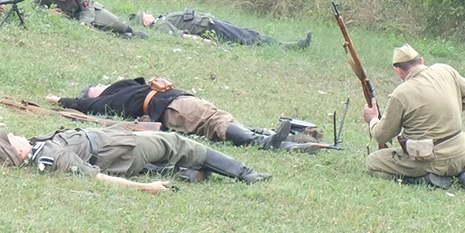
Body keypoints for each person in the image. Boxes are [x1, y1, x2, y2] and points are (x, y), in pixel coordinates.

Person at [0, 124, 270, 193]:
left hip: (114, 141)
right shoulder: (53, 157)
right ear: (19, 152)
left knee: (173, 158)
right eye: (10, 138)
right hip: (124, 150)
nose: (11, 133)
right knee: (179, 143)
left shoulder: (31, 153)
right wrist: (148, 189)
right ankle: (246, 174)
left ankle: (191, 174)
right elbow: (97, 178)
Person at [45, 77, 320, 153]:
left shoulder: (126, 87)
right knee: (216, 120)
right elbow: (88, 107)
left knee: (223, 120)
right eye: (93, 89)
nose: (98, 86)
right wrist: (64, 101)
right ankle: (265, 142)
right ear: (96, 96)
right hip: (175, 108)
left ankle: (280, 141)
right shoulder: (114, 98)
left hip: (180, 104)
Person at [362, 44, 465, 191]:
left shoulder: (401, 93)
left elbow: (381, 136)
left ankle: (425, 179)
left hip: (430, 159)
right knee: (449, 160)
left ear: (398, 70)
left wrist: (372, 119)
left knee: (373, 162)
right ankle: (464, 176)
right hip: (460, 157)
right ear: (421, 61)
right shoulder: (445, 70)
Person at [33, 0, 148, 39]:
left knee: (117, 24)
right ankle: (120, 37)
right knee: (96, 32)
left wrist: (83, 23)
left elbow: (87, 10)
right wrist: (47, 11)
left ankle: (129, 31)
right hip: (66, 16)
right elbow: (34, 5)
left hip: (86, 11)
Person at [130, 9, 311, 48]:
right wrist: (204, 42)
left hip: (211, 23)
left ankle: (284, 44)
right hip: (209, 29)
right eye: (144, 15)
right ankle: (289, 46)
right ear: (145, 22)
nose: (147, 13)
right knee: (248, 37)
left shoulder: (161, 19)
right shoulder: (160, 26)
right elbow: (180, 35)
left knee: (247, 33)